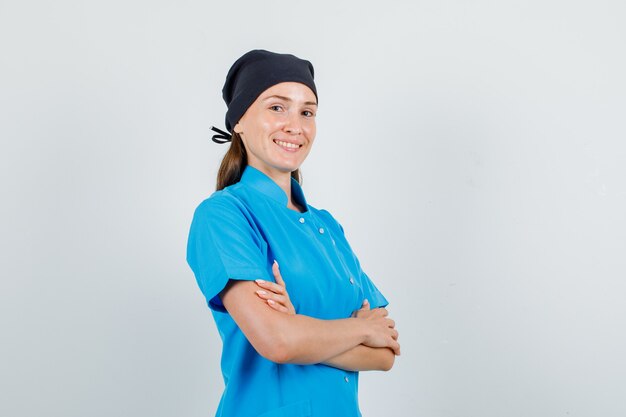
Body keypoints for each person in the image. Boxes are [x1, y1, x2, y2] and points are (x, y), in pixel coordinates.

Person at [186, 49, 400, 417]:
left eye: (307, 112)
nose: (295, 126)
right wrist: (356, 329)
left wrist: (300, 325)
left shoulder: (327, 226)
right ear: (238, 120)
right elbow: (278, 342)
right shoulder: (224, 216)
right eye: (276, 107)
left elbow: (384, 352)